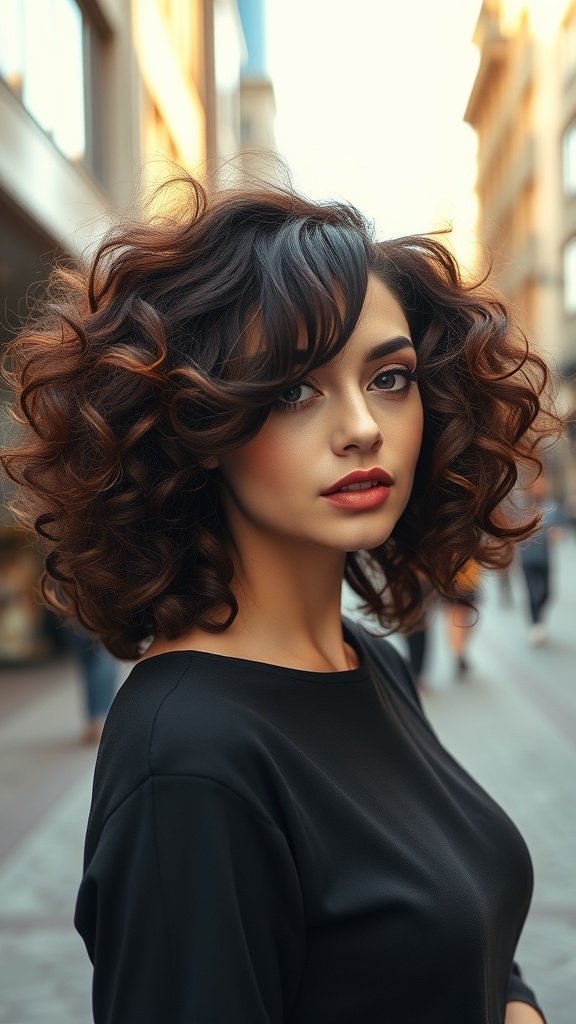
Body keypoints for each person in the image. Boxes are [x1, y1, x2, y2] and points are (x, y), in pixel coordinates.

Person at [1, 176, 558, 1023]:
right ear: (196, 425)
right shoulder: (189, 760)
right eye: (295, 389)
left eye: (390, 378)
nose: (363, 427)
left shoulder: (361, 660)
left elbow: (458, 949)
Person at [518, 473, 563, 646]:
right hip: (527, 558)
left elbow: (558, 527)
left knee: (547, 592)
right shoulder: (522, 508)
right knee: (531, 592)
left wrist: (557, 534)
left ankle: (539, 618)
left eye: (541, 485)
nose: (539, 488)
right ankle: (535, 625)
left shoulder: (550, 506)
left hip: (544, 557)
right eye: (536, 485)